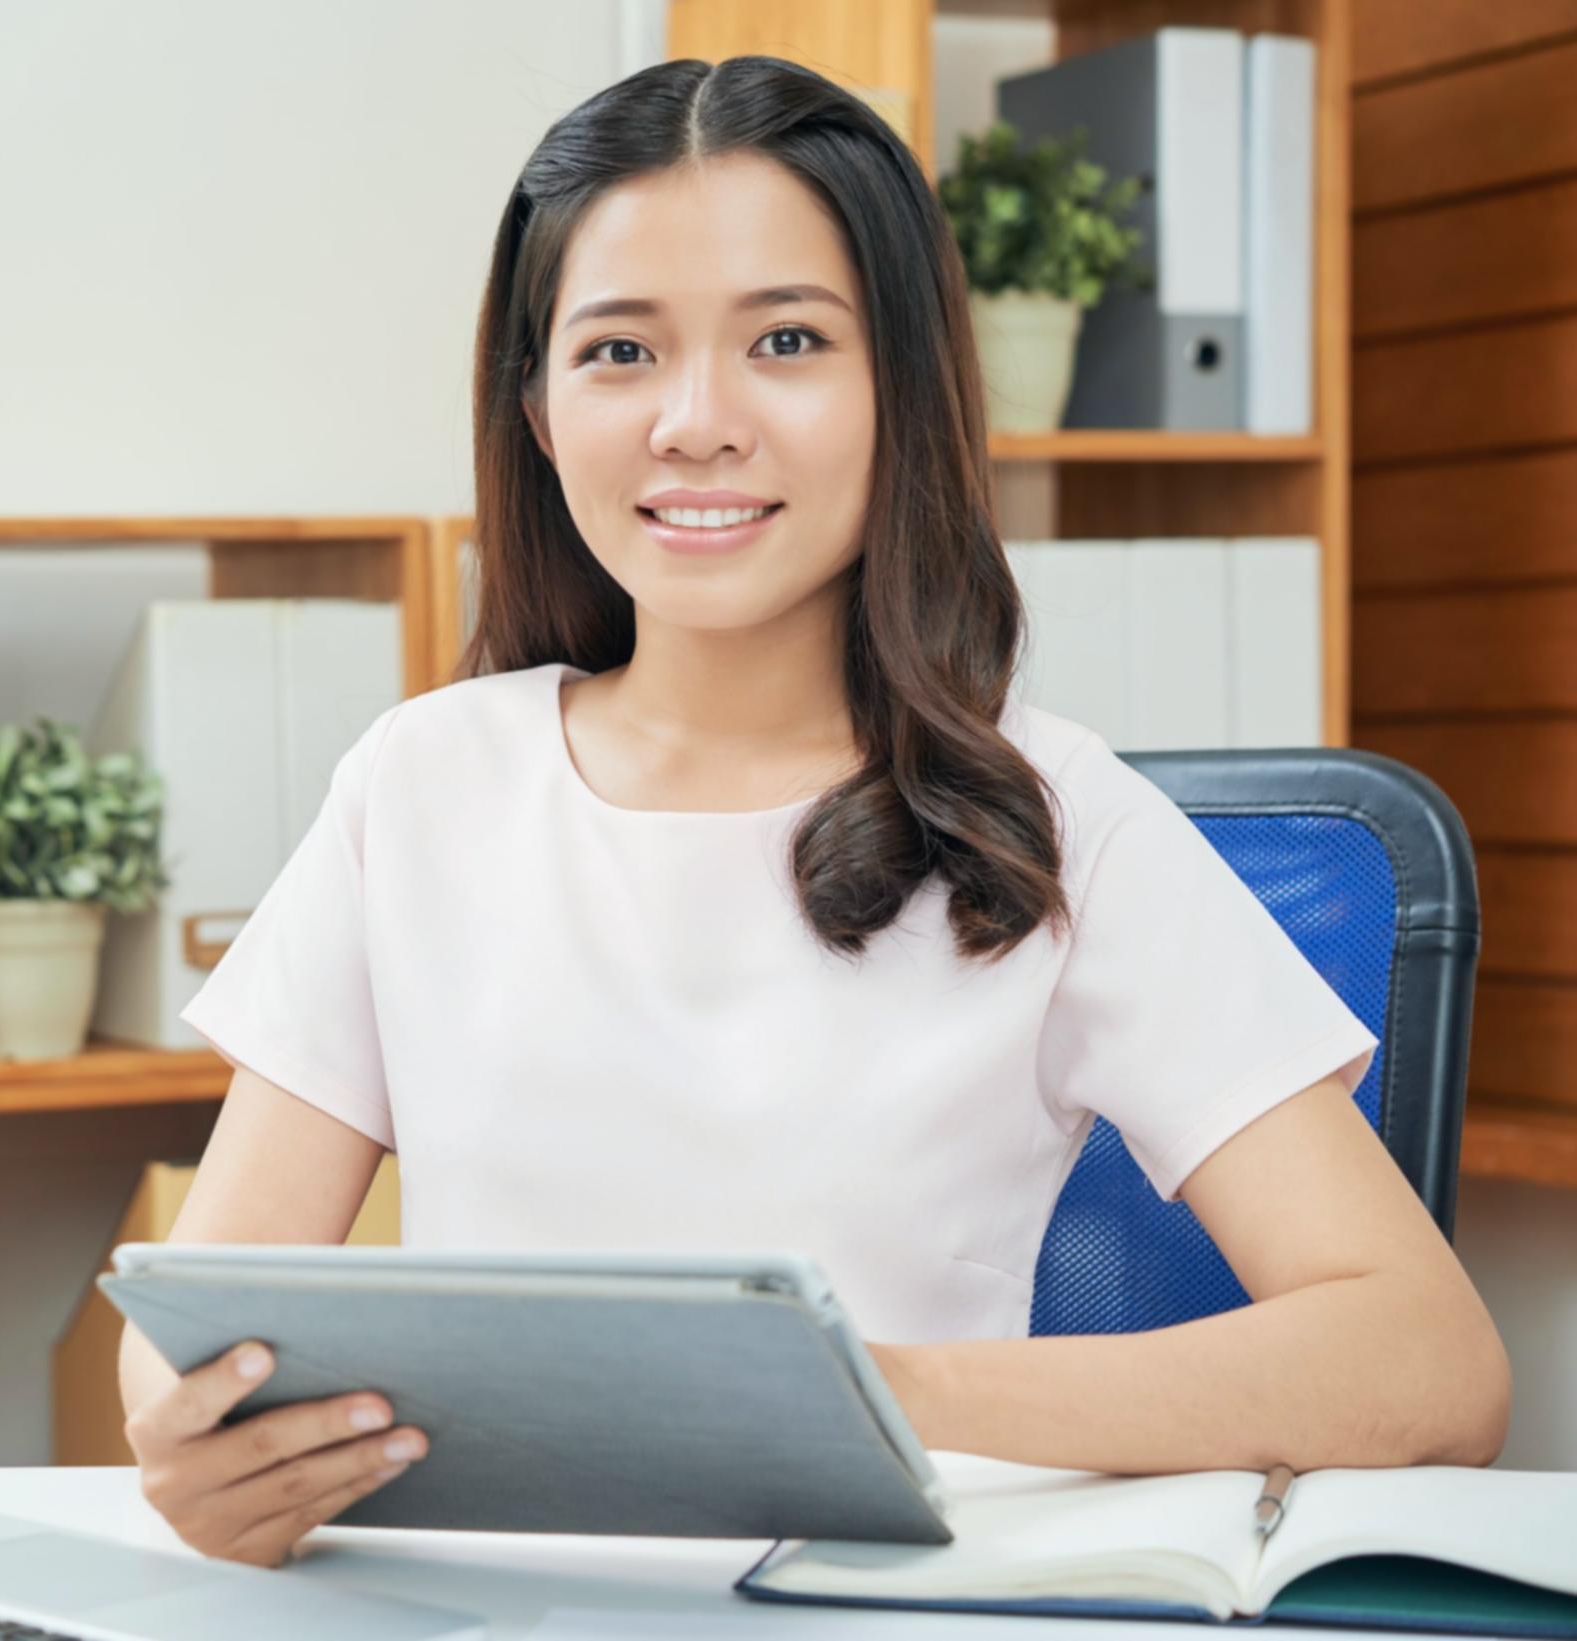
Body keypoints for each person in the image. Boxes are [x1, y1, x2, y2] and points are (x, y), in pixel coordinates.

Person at [117, 53, 1511, 1569]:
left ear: (898, 386)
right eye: (617, 352)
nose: (696, 422)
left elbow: (1427, 1363)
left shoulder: (1053, 824)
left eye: (786, 339)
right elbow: (193, 1326)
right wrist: (197, 1452)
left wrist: (859, 1390)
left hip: (870, 1600)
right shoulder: (422, 784)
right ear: (532, 406)